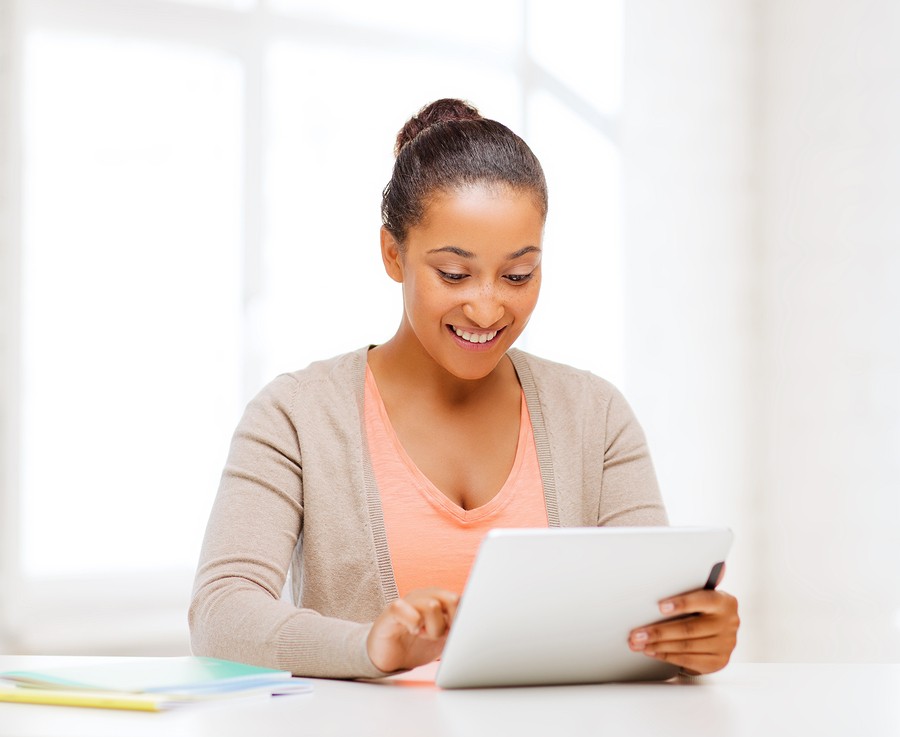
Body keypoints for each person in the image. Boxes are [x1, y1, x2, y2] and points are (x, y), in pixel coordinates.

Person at [189, 98, 739, 680]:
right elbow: (220, 614)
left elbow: (645, 618)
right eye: (453, 274)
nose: (486, 306)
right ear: (392, 253)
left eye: (518, 275)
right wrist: (368, 648)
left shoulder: (595, 416)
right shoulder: (295, 416)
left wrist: (692, 638)